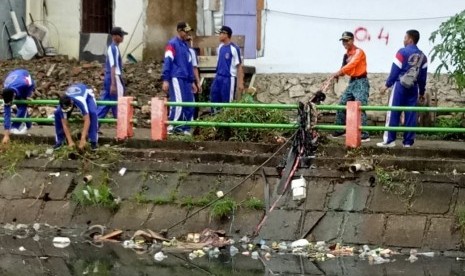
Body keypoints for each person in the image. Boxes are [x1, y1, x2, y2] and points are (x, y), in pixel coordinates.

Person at [377, 30, 427, 148]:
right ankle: (408, 143)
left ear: (410, 39)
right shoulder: (423, 57)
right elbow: (423, 77)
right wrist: (422, 92)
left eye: (405, 37)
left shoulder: (402, 52)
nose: (403, 40)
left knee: (393, 112)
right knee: (411, 115)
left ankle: (390, 140)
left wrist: (387, 85)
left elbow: (395, 71)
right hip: (413, 87)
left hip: (400, 86)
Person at [331, 31, 370, 142]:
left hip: (361, 81)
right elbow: (344, 69)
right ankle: (340, 129)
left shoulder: (359, 52)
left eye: (347, 40)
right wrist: (338, 74)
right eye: (343, 41)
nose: (345, 43)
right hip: (352, 82)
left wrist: (340, 71)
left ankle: (364, 134)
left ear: (352, 40)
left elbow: (352, 64)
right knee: (342, 103)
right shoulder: (346, 55)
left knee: (360, 106)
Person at [162, 22, 198, 135]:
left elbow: (189, 64)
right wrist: (166, 79)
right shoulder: (172, 44)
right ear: (179, 31)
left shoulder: (186, 46)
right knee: (178, 102)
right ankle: (173, 125)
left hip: (186, 78)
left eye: (188, 31)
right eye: (185, 31)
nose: (187, 33)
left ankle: (185, 127)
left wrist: (192, 81)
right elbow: (168, 61)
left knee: (189, 102)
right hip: (176, 76)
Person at [54, 83, 99, 150]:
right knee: (57, 113)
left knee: (92, 113)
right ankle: (61, 141)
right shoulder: (63, 103)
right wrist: (70, 142)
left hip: (87, 95)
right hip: (70, 97)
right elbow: (64, 124)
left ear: (72, 103)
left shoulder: (80, 100)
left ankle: (93, 140)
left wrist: (82, 139)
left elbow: (87, 120)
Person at [97, 26, 128, 120]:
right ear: (115, 36)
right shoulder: (113, 48)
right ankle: (121, 126)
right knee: (118, 102)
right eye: (121, 35)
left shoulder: (114, 48)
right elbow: (113, 66)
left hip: (110, 77)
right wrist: (113, 84)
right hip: (114, 77)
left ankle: (94, 125)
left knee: (107, 102)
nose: (123, 37)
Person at [210, 26, 244, 108]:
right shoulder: (220, 47)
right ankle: (215, 117)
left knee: (227, 101)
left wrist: (240, 83)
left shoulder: (234, 48)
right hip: (218, 77)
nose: (219, 36)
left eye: (220, 34)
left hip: (228, 78)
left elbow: (239, 66)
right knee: (214, 96)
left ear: (226, 34)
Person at [1, 69, 35, 144]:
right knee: (20, 106)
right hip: (14, 80)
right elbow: (7, 114)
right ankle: (28, 125)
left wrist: (27, 95)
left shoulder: (24, 84)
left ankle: (15, 127)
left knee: (23, 104)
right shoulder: (6, 86)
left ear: (13, 95)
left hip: (25, 76)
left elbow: (32, 83)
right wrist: (6, 134)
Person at [186, 34, 202, 119]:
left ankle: (193, 120)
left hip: (190, 79)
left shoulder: (191, 52)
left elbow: (194, 68)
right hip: (184, 79)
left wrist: (197, 82)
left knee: (192, 100)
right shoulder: (181, 50)